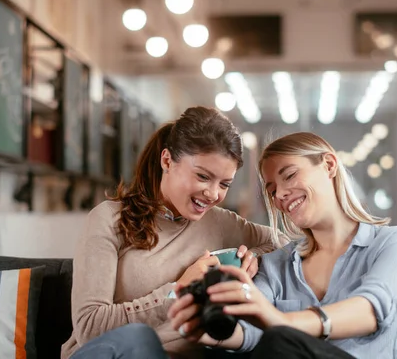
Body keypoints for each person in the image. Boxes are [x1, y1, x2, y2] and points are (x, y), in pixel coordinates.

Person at [169, 132, 397, 359]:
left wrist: (281, 321)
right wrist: (205, 331)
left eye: (289, 175)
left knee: (279, 338)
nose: (279, 195)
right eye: (272, 190)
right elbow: (249, 332)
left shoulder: (393, 243)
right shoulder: (276, 264)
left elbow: (371, 310)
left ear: (329, 165)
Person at [62, 107, 282, 359]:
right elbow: (90, 328)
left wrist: (253, 256)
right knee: (139, 338)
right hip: (112, 354)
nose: (213, 194)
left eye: (224, 184)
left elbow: (286, 244)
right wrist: (180, 289)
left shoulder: (221, 223)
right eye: (202, 176)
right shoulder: (109, 219)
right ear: (167, 161)